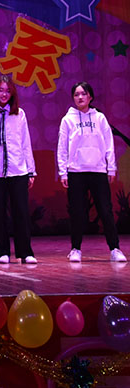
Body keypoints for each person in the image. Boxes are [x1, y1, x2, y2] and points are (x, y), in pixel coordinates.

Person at [57, 81, 125, 263]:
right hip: (76, 171)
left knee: (105, 210)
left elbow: (109, 143)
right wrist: (63, 172)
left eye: (83, 94)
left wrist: (111, 167)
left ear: (90, 97)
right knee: (77, 212)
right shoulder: (67, 120)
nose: (80, 97)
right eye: (76, 94)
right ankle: (75, 249)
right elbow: (62, 147)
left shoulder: (100, 118)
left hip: (98, 170)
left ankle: (115, 248)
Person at [0, 76, 36, 265]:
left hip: (18, 169)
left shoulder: (19, 114)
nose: (4, 94)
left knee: (21, 212)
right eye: (1, 90)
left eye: (8, 91)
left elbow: (25, 142)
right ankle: (1, 251)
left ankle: (25, 252)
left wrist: (31, 170)